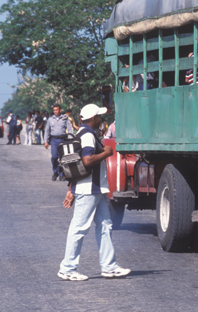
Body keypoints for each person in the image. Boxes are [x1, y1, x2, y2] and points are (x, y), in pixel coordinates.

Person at [58, 103, 131, 281]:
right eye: (99, 116)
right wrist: (107, 152)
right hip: (89, 189)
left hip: (94, 189)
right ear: (94, 118)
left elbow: (76, 164)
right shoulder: (88, 135)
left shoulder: (82, 133)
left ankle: (109, 266)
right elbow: (87, 160)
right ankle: (67, 268)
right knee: (79, 228)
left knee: (105, 225)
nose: (101, 119)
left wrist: (71, 189)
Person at [45, 104, 73, 181]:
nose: (55, 111)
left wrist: (70, 139)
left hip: (62, 140)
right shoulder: (50, 119)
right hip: (53, 140)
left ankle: (61, 173)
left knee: (62, 158)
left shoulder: (65, 118)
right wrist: (45, 141)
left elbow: (70, 129)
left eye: (57, 110)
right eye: (54, 110)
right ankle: (55, 171)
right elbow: (47, 131)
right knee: (54, 157)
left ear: (60, 110)